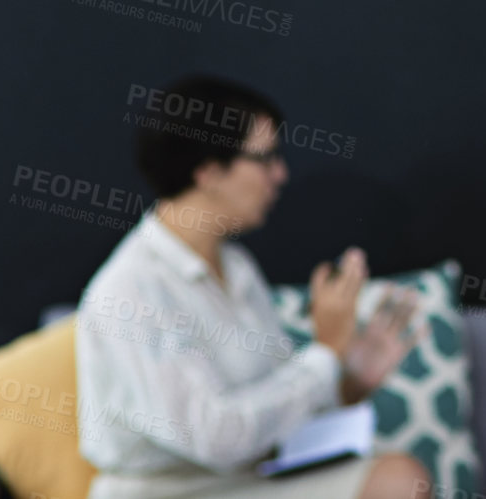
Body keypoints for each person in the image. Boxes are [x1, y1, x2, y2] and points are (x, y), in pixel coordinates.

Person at [75, 75, 430, 499]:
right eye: (265, 159)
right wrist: (325, 353)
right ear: (208, 171)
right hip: (172, 492)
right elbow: (216, 438)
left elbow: (273, 410)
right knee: (398, 480)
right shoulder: (132, 289)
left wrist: (348, 380)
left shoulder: (237, 266)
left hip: (251, 480)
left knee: (399, 476)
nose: (280, 175)